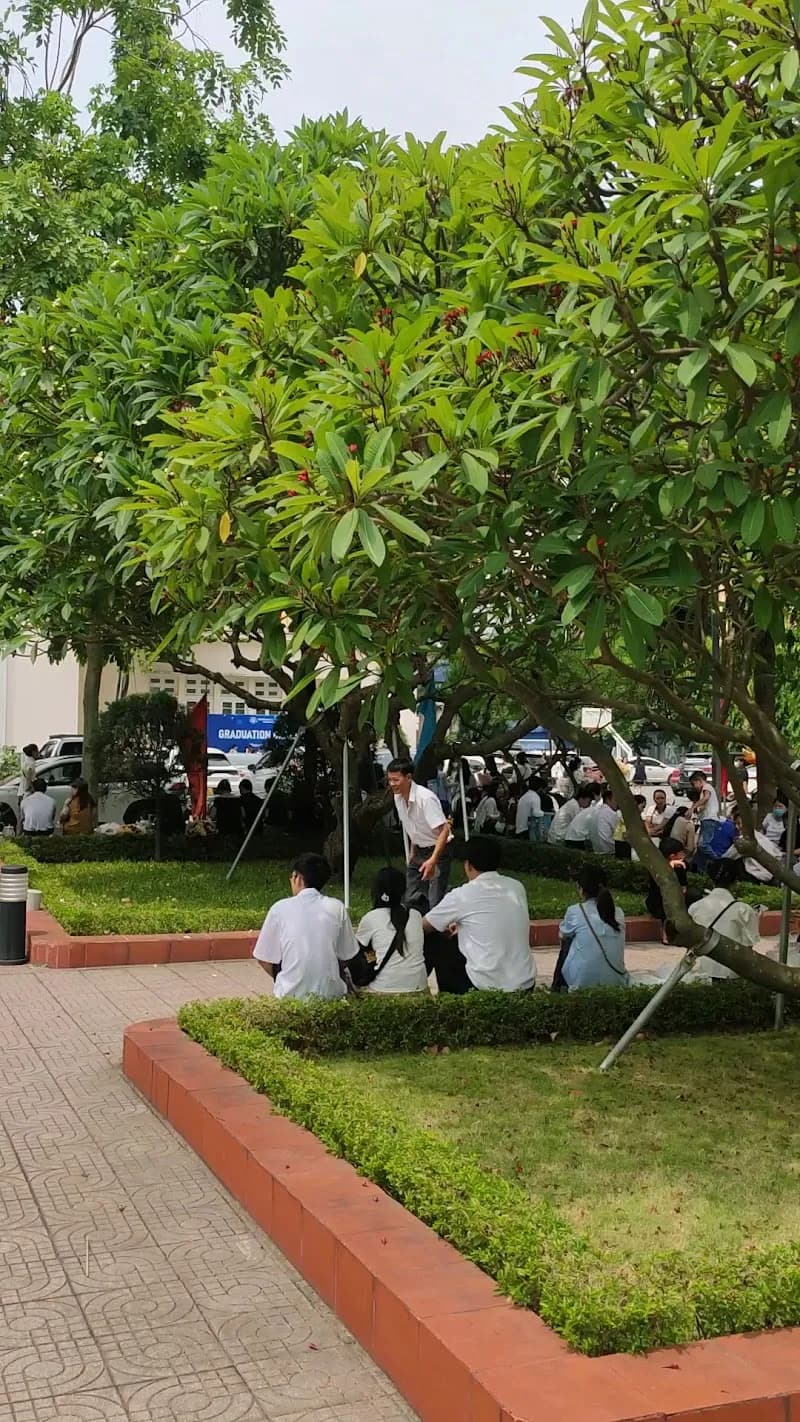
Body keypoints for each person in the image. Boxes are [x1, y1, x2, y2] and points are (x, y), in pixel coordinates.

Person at [422, 836, 535, 995]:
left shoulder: (462, 895)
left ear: (468, 865)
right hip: (524, 983)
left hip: (483, 984)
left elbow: (424, 926)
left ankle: (418, 990)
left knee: (433, 940)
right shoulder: (517, 888)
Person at [252, 852, 358, 999]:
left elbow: (264, 958)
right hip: (330, 995)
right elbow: (347, 954)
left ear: (298, 878)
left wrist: (286, 980)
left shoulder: (279, 908)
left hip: (290, 996)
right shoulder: (336, 907)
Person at [387, 757, 451, 910]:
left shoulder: (426, 798)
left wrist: (433, 860)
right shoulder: (398, 798)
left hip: (438, 851)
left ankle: (438, 924)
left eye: (396, 780)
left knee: (435, 899)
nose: (392, 784)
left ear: (408, 777)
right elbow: (412, 827)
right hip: (419, 850)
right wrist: (412, 853)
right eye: (389, 780)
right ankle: (418, 926)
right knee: (411, 897)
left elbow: (444, 830)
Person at [355, 866, 428, 995]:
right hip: (419, 987)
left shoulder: (370, 918)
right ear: (403, 890)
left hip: (384, 988)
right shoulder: (416, 915)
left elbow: (356, 950)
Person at [554, 865, 628, 991]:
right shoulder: (618, 912)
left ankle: (557, 989)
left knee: (567, 941)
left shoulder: (575, 911)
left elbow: (561, 935)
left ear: (581, 888)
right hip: (617, 980)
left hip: (582, 984)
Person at [644, 837, 692, 939]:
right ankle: (666, 932)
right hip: (658, 901)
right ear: (672, 856)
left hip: (678, 899)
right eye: (680, 853)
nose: (683, 855)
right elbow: (659, 885)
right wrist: (669, 867)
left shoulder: (680, 865)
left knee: (693, 896)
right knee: (666, 902)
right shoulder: (654, 866)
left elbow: (684, 884)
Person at [690, 770, 721, 853]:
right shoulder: (705, 790)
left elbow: (706, 798)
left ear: (699, 780)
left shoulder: (706, 787)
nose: (694, 787)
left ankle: (717, 860)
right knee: (700, 845)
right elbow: (705, 803)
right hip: (706, 819)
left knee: (703, 844)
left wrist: (693, 807)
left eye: (694, 784)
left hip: (709, 819)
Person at [614, 794, 646, 859]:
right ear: (636, 804)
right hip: (623, 845)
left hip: (621, 843)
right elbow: (625, 835)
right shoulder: (628, 817)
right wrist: (636, 847)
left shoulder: (629, 815)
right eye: (643, 807)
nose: (643, 810)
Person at [590, 787, 619, 855]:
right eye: (616, 800)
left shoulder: (596, 810)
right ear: (608, 800)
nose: (617, 803)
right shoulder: (611, 813)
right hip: (609, 849)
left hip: (595, 849)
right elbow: (618, 833)